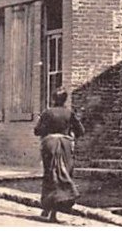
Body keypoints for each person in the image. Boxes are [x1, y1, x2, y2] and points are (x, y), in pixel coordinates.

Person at [34, 87, 85, 223]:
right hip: (65, 145)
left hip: (49, 145)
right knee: (63, 175)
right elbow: (81, 130)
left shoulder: (47, 113)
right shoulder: (69, 113)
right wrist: (70, 135)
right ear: (65, 100)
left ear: (53, 99)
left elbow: (37, 131)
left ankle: (47, 207)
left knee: (50, 175)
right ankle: (54, 212)